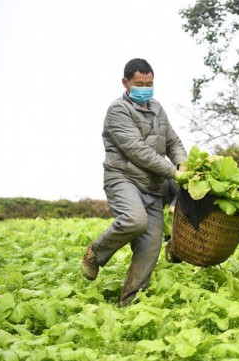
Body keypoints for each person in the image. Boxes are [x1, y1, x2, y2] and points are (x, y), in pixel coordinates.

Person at [80, 58, 188, 306]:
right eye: (139, 83)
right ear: (125, 83)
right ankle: (95, 254)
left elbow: (173, 141)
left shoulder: (158, 109)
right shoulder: (118, 111)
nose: (145, 88)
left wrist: (183, 163)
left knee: (150, 248)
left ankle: (129, 303)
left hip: (152, 186)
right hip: (123, 178)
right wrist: (174, 173)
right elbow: (138, 151)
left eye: (149, 83)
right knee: (134, 220)